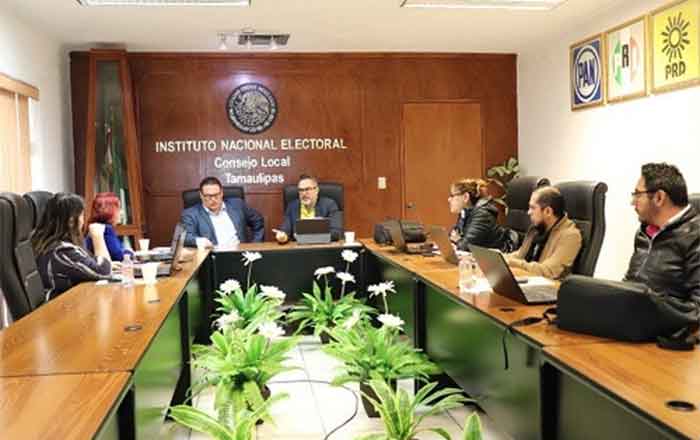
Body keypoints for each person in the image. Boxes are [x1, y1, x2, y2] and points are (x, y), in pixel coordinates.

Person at [624, 163, 700, 314]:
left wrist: (651, 310)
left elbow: (697, 310)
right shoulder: (645, 233)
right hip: (629, 318)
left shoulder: (695, 236)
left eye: (637, 194)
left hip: (664, 327)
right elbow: (630, 283)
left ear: (659, 197)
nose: (632, 202)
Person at [32, 193, 112, 299]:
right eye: (82, 215)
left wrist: (100, 264)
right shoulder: (61, 251)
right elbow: (104, 272)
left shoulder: (52, 245)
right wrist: (98, 236)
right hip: (61, 306)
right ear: (71, 220)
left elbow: (87, 264)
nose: (83, 221)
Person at [504, 186, 581, 280]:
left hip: (550, 286)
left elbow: (549, 271)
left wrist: (512, 263)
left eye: (532, 208)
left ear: (548, 211)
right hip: (530, 280)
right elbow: (521, 255)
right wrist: (501, 258)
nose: (528, 212)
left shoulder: (570, 236)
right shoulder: (536, 229)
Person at [181, 176, 264, 248]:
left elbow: (258, 220)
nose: (213, 200)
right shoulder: (191, 214)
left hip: (240, 255)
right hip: (212, 257)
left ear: (222, 193)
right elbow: (185, 237)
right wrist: (199, 241)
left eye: (216, 195)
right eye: (208, 196)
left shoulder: (237, 205)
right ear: (201, 195)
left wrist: (255, 245)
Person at [448, 178, 517, 252]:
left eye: (452, 195)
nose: (449, 199)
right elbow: (453, 235)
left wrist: (458, 240)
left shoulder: (482, 214)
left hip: (498, 256)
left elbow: (465, 247)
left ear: (465, 197)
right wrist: (457, 240)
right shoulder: (465, 212)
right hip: (479, 255)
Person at [275, 174, 343, 243]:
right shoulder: (292, 207)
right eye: (301, 190)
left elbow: (336, 233)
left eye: (307, 189)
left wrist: (309, 238)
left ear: (316, 190)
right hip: (299, 248)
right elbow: (285, 231)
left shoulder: (329, 205)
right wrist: (283, 237)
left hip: (322, 246)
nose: (304, 193)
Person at [85, 192, 134, 261]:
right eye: (119, 209)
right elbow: (119, 255)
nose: (122, 212)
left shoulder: (94, 227)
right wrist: (130, 251)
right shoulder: (106, 229)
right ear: (109, 211)